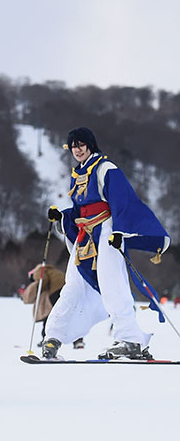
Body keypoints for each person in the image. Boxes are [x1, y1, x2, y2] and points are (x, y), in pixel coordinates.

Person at [43, 127, 170, 360]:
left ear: (90, 145)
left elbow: (123, 201)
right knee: (72, 286)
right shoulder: (77, 173)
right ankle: (53, 337)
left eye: (81, 144)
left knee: (113, 284)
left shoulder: (106, 168)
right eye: (73, 146)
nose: (77, 150)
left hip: (107, 233)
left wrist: (120, 231)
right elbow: (82, 210)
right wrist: (62, 217)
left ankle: (130, 339)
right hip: (84, 238)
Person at [20, 263, 84, 349]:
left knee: (51, 315)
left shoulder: (39, 270)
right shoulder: (53, 270)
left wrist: (38, 288)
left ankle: (47, 339)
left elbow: (44, 280)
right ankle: (78, 340)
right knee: (69, 314)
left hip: (56, 292)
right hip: (67, 290)